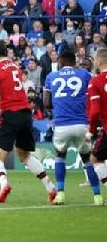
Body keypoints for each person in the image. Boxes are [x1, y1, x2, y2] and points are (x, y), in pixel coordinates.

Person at [0, 40, 56, 203]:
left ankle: (4, 185)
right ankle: (50, 188)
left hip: (9, 114)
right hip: (26, 114)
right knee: (24, 155)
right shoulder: (14, 66)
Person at [42, 51, 101, 205]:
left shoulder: (51, 77)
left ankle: (60, 194)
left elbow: (46, 103)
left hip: (62, 124)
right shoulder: (85, 75)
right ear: (74, 61)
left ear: (60, 62)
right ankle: (97, 197)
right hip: (82, 123)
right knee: (87, 159)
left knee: (60, 156)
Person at [87, 48, 107, 197]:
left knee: (95, 159)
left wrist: (91, 130)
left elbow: (94, 112)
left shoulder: (96, 81)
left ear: (99, 62)